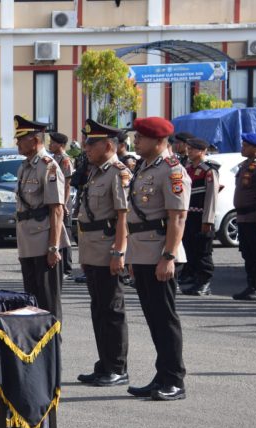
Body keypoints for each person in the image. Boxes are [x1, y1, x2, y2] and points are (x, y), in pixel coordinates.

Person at [125, 117, 190, 401]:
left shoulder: (173, 171)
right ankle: (162, 375)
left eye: (141, 137)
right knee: (153, 319)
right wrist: (131, 255)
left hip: (161, 253)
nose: (136, 141)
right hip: (142, 252)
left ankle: (174, 379)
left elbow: (178, 217)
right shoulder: (145, 167)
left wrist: (169, 256)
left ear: (159, 140)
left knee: (165, 319)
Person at [75, 119, 131, 387]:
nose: (86, 148)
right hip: (92, 250)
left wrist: (119, 252)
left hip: (108, 250)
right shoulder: (96, 172)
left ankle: (118, 367)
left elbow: (123, 217)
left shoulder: (118, 173)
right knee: (98, 309)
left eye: (91, 144)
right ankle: (105, 364)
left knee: (112, 310)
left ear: (108, 146)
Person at [14, 115, 70, 320]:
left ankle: (53, 338)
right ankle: (37, 339)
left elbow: (56, 209)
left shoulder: (49, 166)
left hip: (44, 242)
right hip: (27, 242)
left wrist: (53, 247)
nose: (17, 143)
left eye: (21, 139)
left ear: (36, 140)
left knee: (48, 302)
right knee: (31, 301)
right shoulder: (24, 167)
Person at [179, 137, 219, 296]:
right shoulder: (188, 168)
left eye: (192, 149)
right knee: (191, 249)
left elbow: (211, 197)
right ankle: (195, 279)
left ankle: (204, 282)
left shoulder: (208, 170)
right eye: (188, 148)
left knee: (203, 252)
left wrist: (207, 220)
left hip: (201, 216)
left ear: (202, 151)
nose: (188, 151)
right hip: (188, 216)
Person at [231, 133, 256, 301]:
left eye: (245, 145)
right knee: (247, 254)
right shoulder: (245, 165)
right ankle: (252, 286)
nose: (242, 148)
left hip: (254, 217)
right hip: (243, 218)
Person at [48, 131, 74, 279]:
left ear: (61, 145)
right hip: (56, 199)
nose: (50, 145)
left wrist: (64, 203)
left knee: (65, 235)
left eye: (53, 143)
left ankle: (67, 269)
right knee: (57, 232)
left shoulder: (65, 160)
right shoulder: (53, 159)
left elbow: (67, 184)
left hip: (63, 201)